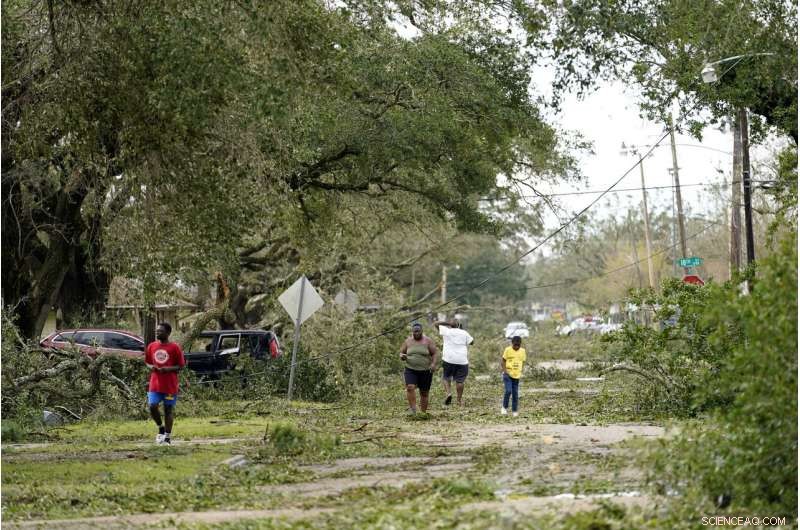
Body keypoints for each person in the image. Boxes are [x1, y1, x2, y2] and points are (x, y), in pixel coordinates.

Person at [145, 322, 185, 444]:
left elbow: (181, 366)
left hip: (169, 385)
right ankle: (160, 428)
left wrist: (167, 369)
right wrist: (151, 367)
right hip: (155, 384)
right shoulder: (152, 346)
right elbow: (147, 362)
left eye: (160, 331)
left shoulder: (175, 347)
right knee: (152, 406)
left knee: (168, 409)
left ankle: (167, 437)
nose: (157, 333)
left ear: (168, 333)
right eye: (157, 331)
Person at [399, 322, 439, 415]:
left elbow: (434, 353)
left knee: (424, 393)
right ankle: (413, 411)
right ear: (412, 331)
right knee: (410, 387)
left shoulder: (428, 341)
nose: (416, 333)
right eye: (415, 331)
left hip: (425, 370)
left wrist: (433, 364)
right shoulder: (408, 341)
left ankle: (422, 413)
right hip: (410, 369)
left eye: (418, 331)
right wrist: (402, 356)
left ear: (422, 331)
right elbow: (401, 353)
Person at [433, 319, 474, 407]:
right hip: (462, 360)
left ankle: (448, 393)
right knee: (460, 381)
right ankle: (459, 400)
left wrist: (448, 323)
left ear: (450, 325)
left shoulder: (446, 331)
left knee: (446, 377)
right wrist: (462, 331)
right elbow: (472, 342)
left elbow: (436, 323)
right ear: (459, 325)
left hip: (449, 359)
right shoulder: (464, 333)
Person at [500, 336, 527, 417]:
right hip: (507, 374)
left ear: (520, 344)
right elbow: (503, 361)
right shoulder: (507, 350)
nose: (516, 347)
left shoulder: (522, 351)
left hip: (516, 375)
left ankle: (514, 410)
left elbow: (523, 362)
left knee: (515, 393)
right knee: (508, 391)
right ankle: (504, 407)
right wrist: (505, 371)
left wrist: (521, 370)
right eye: (515, 345)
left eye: (518, 345)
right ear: (512, 343)